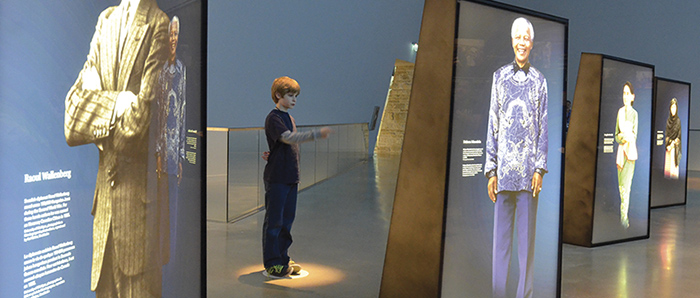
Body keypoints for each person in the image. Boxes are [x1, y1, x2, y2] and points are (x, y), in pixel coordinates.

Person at [64, 0, 170, 296]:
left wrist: (98, 109)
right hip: (105, 212)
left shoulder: (157, 22)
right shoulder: (106, 19)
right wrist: (120, 102)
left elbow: (137, 127)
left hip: (138, 213)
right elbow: (72, 120)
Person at [484, 17, 548, 298]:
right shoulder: (499, 78)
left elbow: (543, 127)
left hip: (527, 178)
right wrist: (490, 170)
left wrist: (539, 169)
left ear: (532, 44)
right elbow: (493, 123)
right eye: (518, 37)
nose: (522, 42)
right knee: (501, 245)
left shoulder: (540, 82)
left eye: (527, 38)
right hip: (504, 175)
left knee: (526, 245)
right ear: (512, 41)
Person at [262, 76, 332, 278]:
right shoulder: (273, 118)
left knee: (286, 221)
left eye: (295, 96)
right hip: (277, 178)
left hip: (291, 177)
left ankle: (283, 258)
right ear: (278, 95)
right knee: (274, 222)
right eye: (290, 95)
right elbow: (288, 138)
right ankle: (273, 263)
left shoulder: (289, 118)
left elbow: (285, 146)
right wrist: (316, 134)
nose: (294, 100)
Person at [155, 15, 187, 258]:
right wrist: (158, 152)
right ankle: (161, 253)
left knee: (174, 206)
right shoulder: (159, 72)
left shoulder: (182, 70)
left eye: (176, 34)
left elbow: (183, 110)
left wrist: (182, 156)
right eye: (170, 34)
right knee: (160, 206)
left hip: (175, 150)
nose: (173, 39)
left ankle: (172, 253)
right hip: (161, 151)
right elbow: (157, 115)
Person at [615, 81, 638, 229]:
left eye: (627, 93)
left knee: (626, 187)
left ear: (632, 96)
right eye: (624, 93)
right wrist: (622, 137)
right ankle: (623, 217)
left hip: (630, 154)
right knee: (620, 187)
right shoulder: (619, 112)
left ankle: (624, 218)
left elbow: (634, 135)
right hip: (620, 154)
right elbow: (616, 135)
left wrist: (627, 136)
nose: (625, 96)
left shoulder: (634, 114)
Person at [664, 98, 681, 179]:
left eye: (674, 107)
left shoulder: (678, 121)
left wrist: (672, 144)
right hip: (668, 150)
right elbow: (666, 135)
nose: (673, 109)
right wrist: (668, 145)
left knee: (674, 175)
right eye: (671, 107)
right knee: (667, 175)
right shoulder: (668, 121)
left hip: (674, 150)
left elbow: (679, 137)